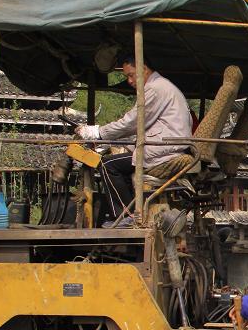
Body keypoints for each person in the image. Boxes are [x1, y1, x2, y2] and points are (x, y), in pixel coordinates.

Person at [75, 58, 192, 227]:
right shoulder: (161, 86)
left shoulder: (155, 88)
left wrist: (97, 132)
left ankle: (127, 216)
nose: (129, 81)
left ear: (144, 69)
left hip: (164, 149)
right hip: (164, 145)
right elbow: (144, 129)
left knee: (107, 165)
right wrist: (116, 145)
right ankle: (130, 211)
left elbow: (132, 122)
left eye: (131, 75)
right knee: (117, 161)